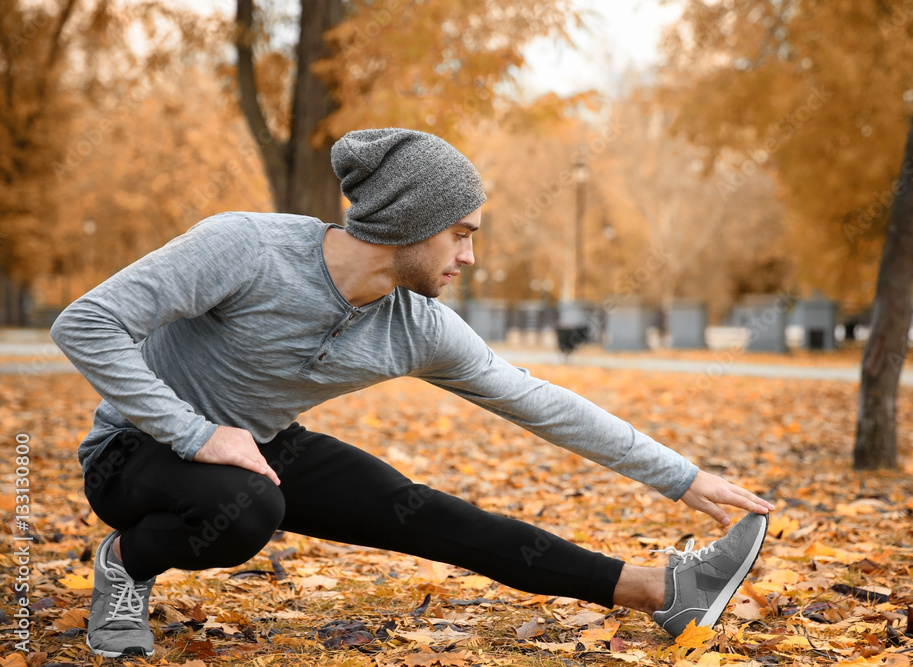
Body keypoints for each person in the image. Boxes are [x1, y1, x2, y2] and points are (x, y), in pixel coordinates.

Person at [51, 128, 774, 658]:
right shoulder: (246, 247)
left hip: (262, 445)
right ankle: (127, 565)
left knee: (428, 513)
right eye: (461, 234)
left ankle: (662, 590)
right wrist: (198, 434)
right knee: (245, 509)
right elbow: (85, 324)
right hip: (135, 452)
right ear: (408, 220)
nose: (468, 257)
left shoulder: (416, 324)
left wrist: (684, 478)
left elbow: (543, 402)